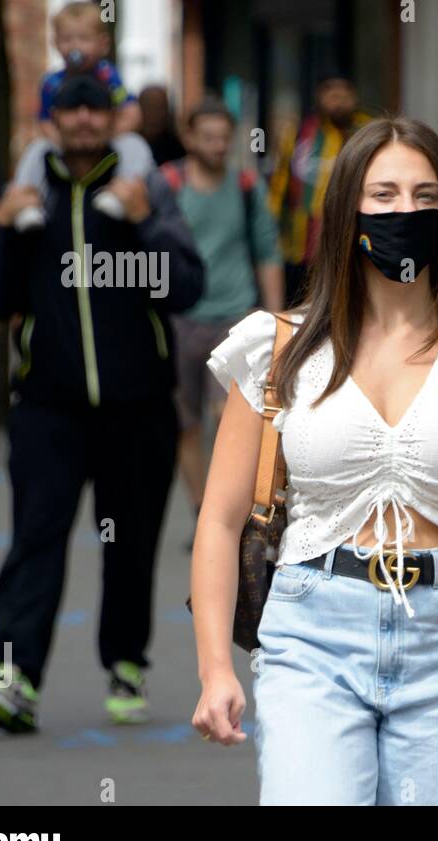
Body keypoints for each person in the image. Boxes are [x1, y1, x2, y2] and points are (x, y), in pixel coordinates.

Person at [191, 117, 438, 805]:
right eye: (383, 194)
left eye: (425, 195)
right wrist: (216, 668)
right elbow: (218, 521)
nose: (405, 212)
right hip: (310, 634)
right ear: (344, 214)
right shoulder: (276, 347)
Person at [0, 74, 205, 734]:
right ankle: (18, 678)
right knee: (36, 538)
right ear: (50, 120)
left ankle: (126, 663)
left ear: (112, 119)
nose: (83, 120)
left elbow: (185, 286)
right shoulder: (28, 193)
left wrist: (140, 223)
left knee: (128, 546)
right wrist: (2, 228)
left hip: (138, 406)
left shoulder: (146, 189)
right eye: (69, 109)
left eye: (95, 108)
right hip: (49, 407)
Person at [162, 97, 284, 549]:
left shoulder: (247, 186)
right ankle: (202, 509)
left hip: (234, 318)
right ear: (189, 137)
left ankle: (226, 512)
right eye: (206, 137)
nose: (216, 146)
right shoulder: (168, 184)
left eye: (223, 138)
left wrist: (274, 320)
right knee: (186, 424)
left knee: (227, 418)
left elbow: (267, 250)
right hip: (180, 320)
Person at [9, 1, 155, 232]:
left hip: (107, 143)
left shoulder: (108, 77)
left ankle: (122, 192)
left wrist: (106, 135)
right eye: (67, 39)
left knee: (135, 146)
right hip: (65, 147)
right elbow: (45, 120)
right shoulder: (51, 83)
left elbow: (132, 113)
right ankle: (28, 202)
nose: (75, 47)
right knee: (36, 150)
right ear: (56, 43)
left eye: (83, 39)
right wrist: (62, 140)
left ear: (103, 44)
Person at [266, 76, 374, 305]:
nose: (339, 100)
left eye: (345, 93)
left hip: (353, 244)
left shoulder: (369, 132)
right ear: (320, 96)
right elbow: (279, 189)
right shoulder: (297, 134)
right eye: (332, 94)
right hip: (300, 248)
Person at [138, 84, 187, 167]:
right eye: (150, 106)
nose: (155, 112)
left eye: (160, 106)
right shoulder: (130, 142)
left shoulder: (175, 144)